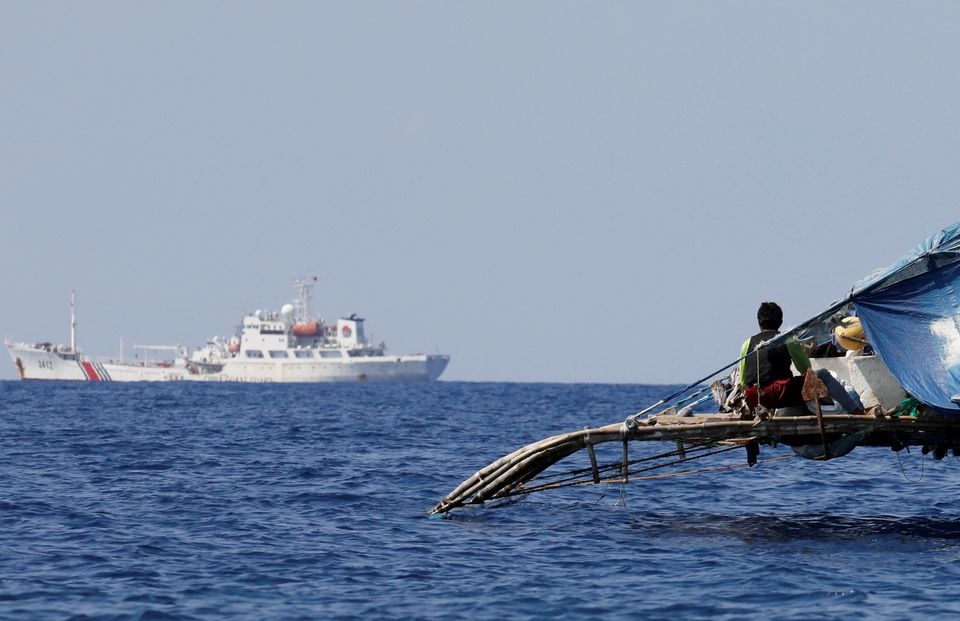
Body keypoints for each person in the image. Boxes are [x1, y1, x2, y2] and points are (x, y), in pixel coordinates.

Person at [738, 301, 865, 415]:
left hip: (754, 396)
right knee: (823, 375)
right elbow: (806, 369)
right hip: (780, 393)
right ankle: (856, 411)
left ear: (759, 321)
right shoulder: (788, 339)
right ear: (781, 322)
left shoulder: (747, 344)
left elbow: (743, 381)